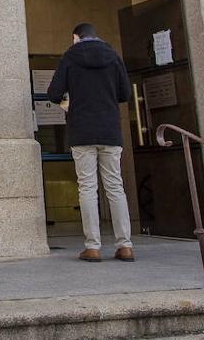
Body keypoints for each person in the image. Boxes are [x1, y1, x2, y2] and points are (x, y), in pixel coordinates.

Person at [47, 22, 134, 263]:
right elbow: (125, 94)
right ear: (96, 36)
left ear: (76, 37)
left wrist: (71, 99)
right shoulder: (113, 56)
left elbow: (53, 93)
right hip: (110, 131)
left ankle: (92, 247)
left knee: (87, 187)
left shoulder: (70, 57)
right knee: (115, 186)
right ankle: (125, 245)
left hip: (82, 130)